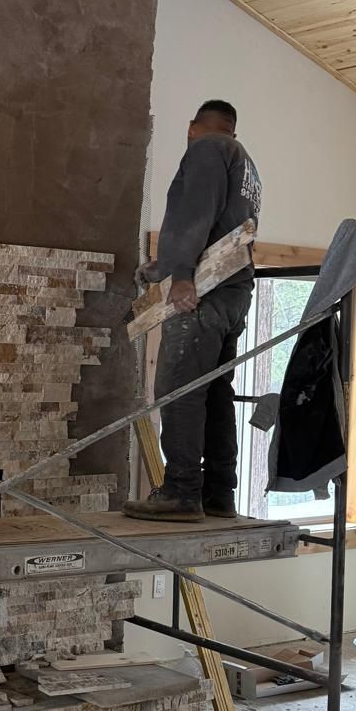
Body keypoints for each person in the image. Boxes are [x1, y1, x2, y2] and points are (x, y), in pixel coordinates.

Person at [124, 99, 262, 523]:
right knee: (214, 392)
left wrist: (181, 276)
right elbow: (219, 226)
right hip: (233, 292)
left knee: (177, 389)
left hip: (203, 295)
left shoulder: (206, 149)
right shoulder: (244, 163)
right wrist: (161, 268)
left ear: (191, 128)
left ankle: (182, 492)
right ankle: (219, 494)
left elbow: (194, 214)